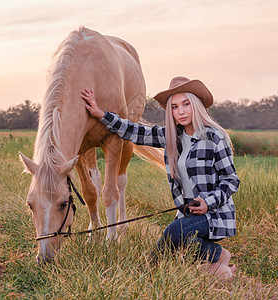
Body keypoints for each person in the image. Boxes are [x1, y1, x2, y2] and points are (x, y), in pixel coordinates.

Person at [80, 76, 240, 279]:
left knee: (173, 234)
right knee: (176, 245)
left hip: (214, 213)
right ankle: (213, 259)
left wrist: (208, 203)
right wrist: (101, 114)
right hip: (188, 214)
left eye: (186, 104)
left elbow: (231, 180)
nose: (180, 111)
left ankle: (156, 272)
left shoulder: (215, 137)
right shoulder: (172, 136)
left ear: (197, 105)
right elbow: (135, 132)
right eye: (174, 107)